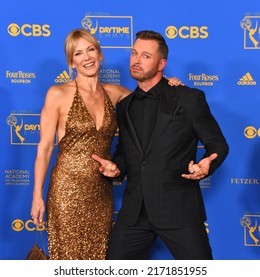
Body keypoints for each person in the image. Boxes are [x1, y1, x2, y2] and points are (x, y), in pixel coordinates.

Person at [30, 28, 182, 260]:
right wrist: (37, 195)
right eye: (78, 53)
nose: (87, 57)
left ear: (100, 54)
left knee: (99, 258)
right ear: (71, 61)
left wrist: (169, 85)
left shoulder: (115, 93)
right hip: (66, 192)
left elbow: (150, 95)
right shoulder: (57, 94)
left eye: (91, 50)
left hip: (101, 192)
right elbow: (45, 148)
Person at [92, 30, 229, 260]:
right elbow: (126, 153)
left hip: (178, 210)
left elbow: (218, 144)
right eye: (134, 53)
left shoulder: (188, 98)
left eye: (145, 56)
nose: (136, 60)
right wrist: (115, 169)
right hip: (135, 213)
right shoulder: (125, 107)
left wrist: (207, 164)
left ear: (161, 63)